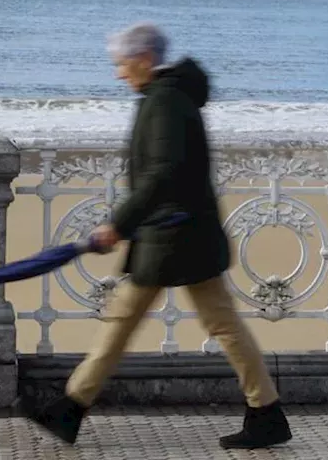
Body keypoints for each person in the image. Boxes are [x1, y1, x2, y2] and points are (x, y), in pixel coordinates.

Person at [26, 22, 291, 449]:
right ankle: (265, 412)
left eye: (122, 63)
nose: (118, 73)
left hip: (173, 238)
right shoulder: (168, 96)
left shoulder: (164, 101)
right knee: (192, 322)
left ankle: (72, 407)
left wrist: (119, 223)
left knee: (135, 320)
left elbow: (162, 173)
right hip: (178, 235)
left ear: (145, 59)